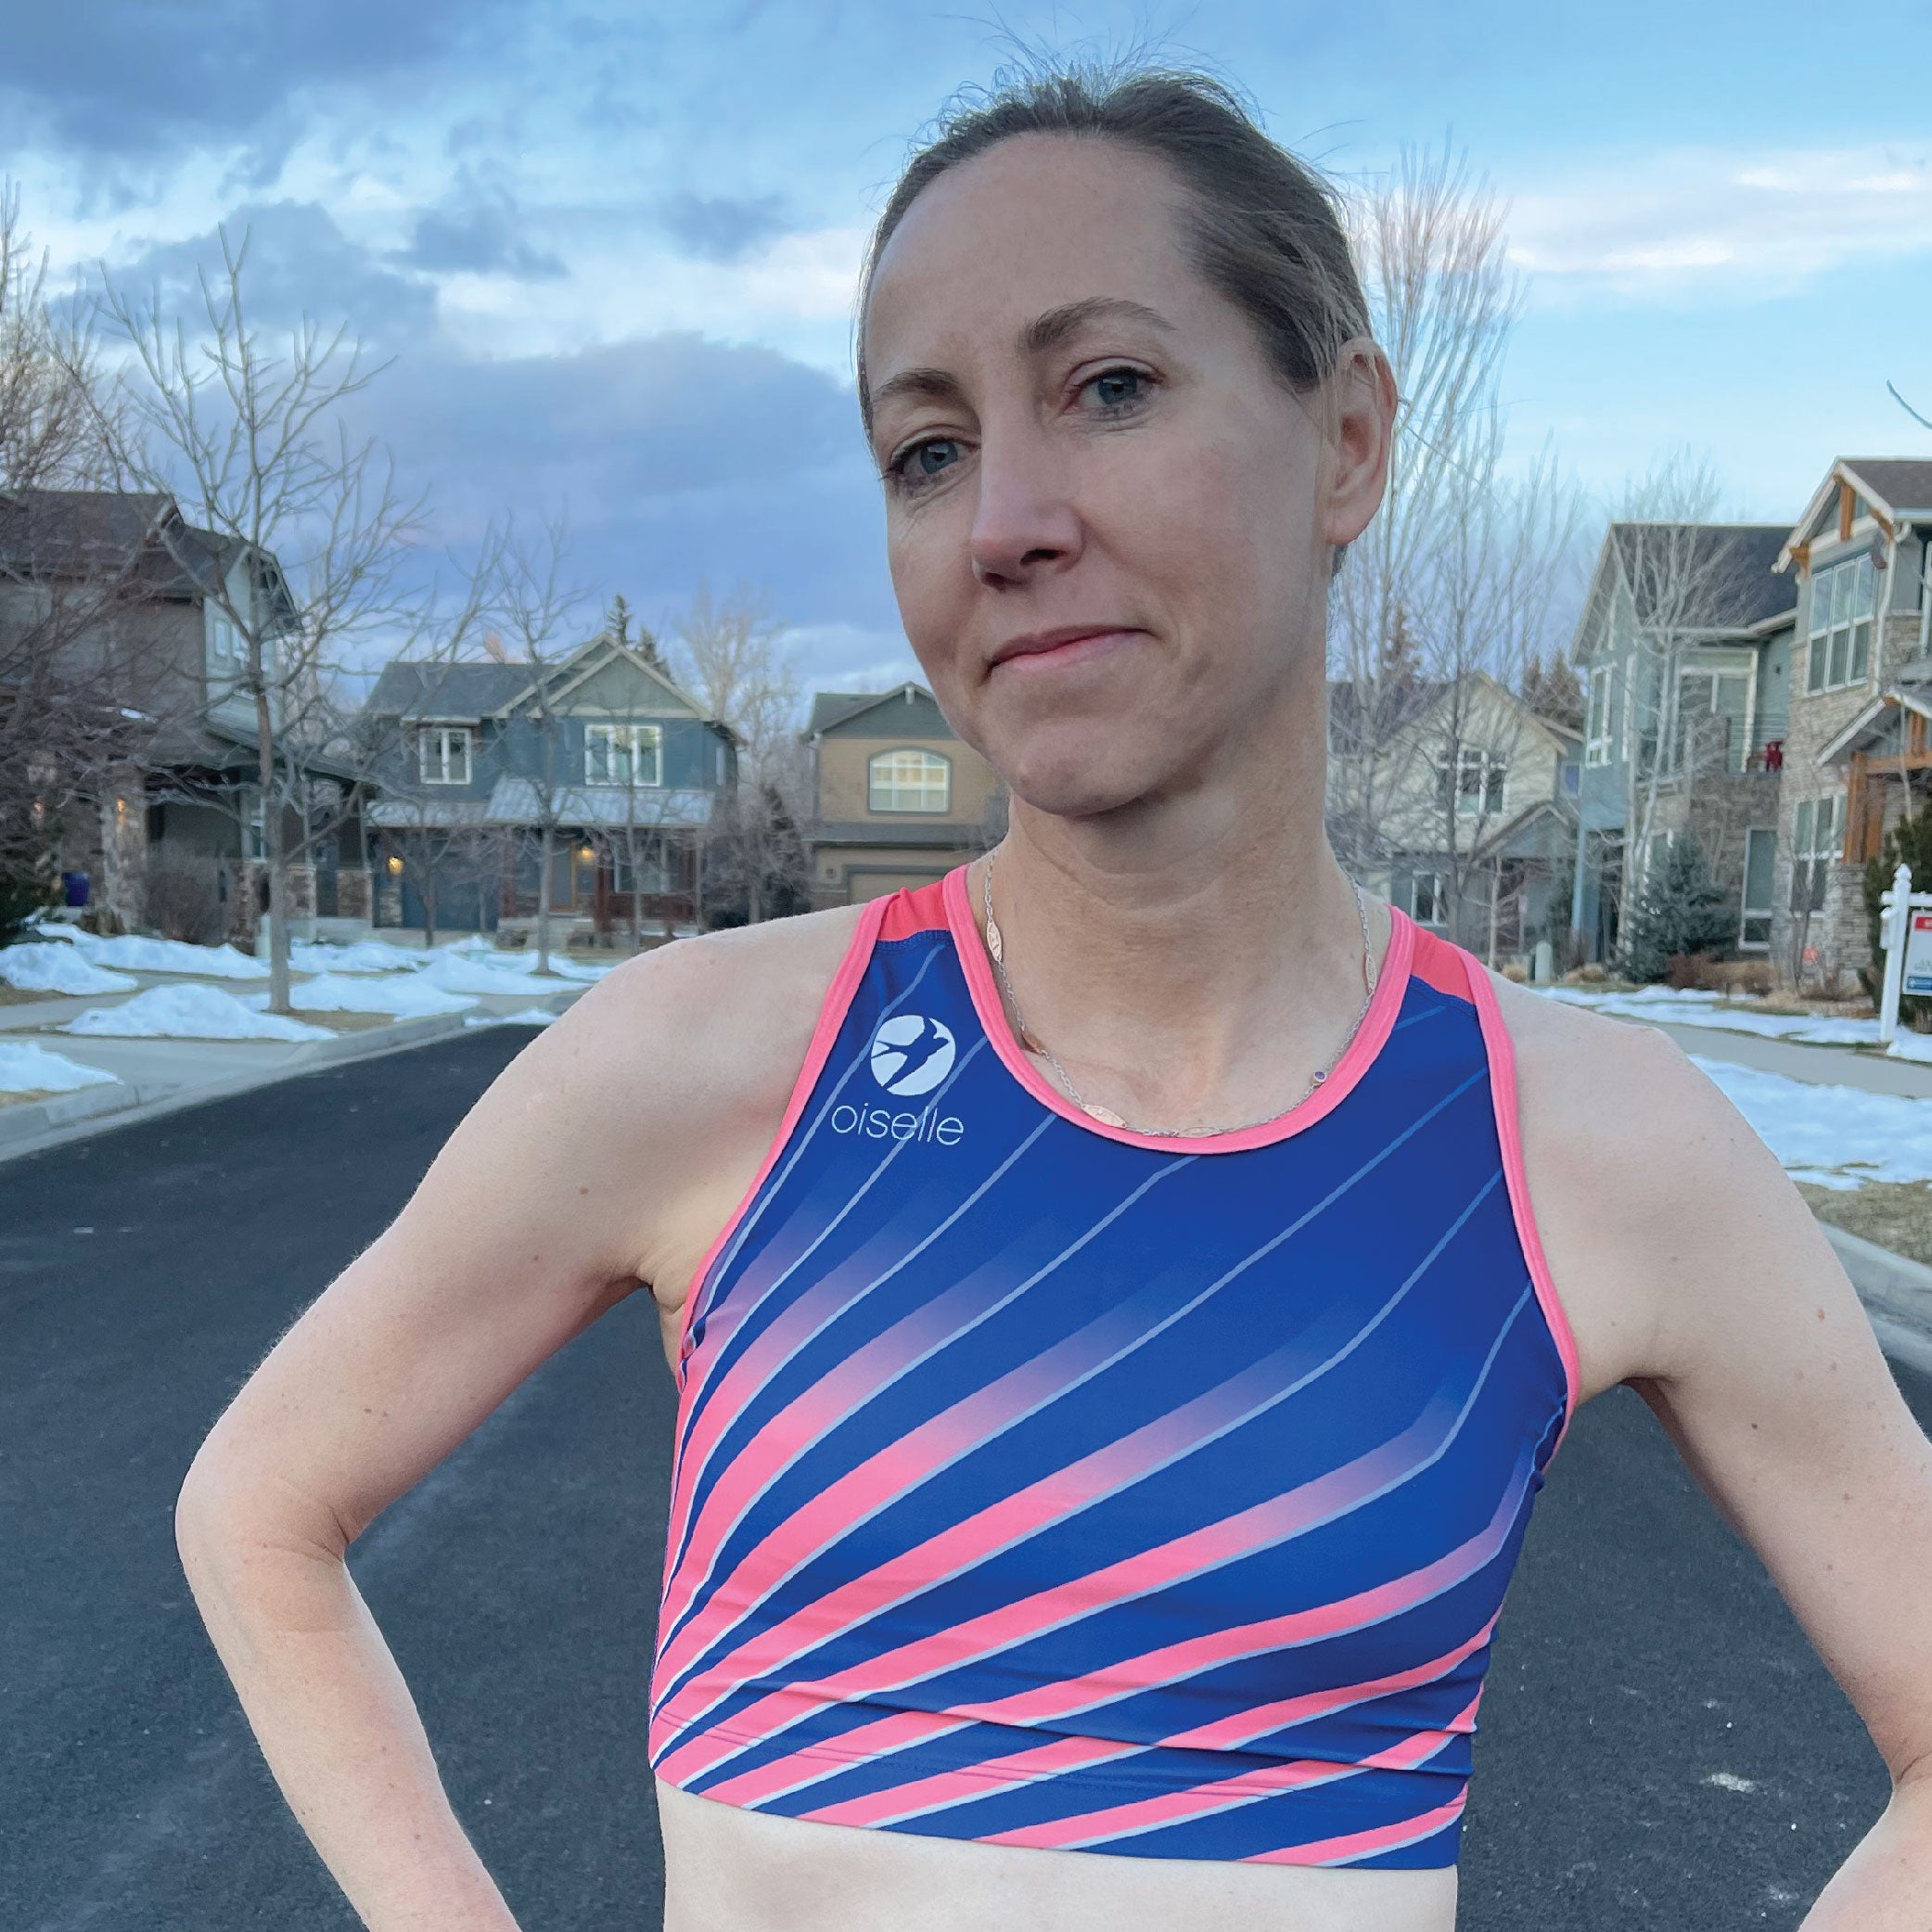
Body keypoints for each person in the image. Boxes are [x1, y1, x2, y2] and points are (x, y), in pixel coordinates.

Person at [175, 66, 1932, 1932]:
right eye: (926, 451)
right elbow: (261, 1508)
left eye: (1107, 387)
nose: (1000, 519)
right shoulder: (704, 1061)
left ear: (1345, 440)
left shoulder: (1586, 1142)